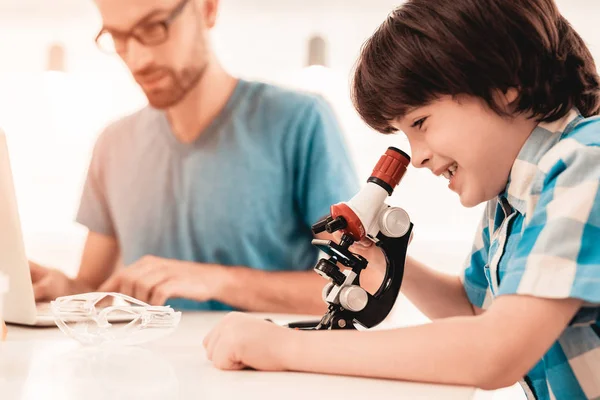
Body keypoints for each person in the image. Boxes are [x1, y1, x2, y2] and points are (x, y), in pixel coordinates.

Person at [202, 0, 600, 398]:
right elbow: (475, 312)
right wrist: (390, 258)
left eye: (421, 123)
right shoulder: (512, 197)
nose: (418, 155)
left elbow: (496, 351)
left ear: (506, 85)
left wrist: (284, 347)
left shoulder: (585, 162)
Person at [29, 0, 361, 314]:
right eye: (118, 37)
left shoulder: (299, 121)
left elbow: (359, 286)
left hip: (261, 370)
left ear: (207, 8)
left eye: (155, 27)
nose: (138, 59)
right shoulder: (112, 144)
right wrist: (63, 289)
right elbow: (93, 288)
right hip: (143, 370)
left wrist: (217, 280)